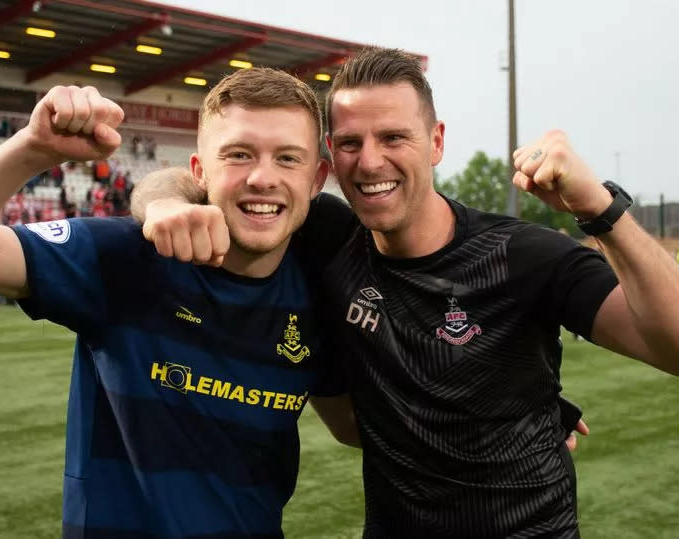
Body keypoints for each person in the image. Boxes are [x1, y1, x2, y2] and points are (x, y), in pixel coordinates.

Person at [132, 46, 679, 537]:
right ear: (329, 158)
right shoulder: (324, 235)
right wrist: (167, 206)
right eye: (350, 143)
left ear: (436, 141)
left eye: (394, 137)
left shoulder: (524, 256)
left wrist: (600, 210)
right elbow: (191, 180)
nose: (370, 162)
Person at [0, 71, 358, 538]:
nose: (262, 177)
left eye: (288, 158)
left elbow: (352, 428)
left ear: (317, 178)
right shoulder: (124, 257)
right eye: (239, 154)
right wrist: (33, 148)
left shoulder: (318, 290)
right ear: (198, 172)